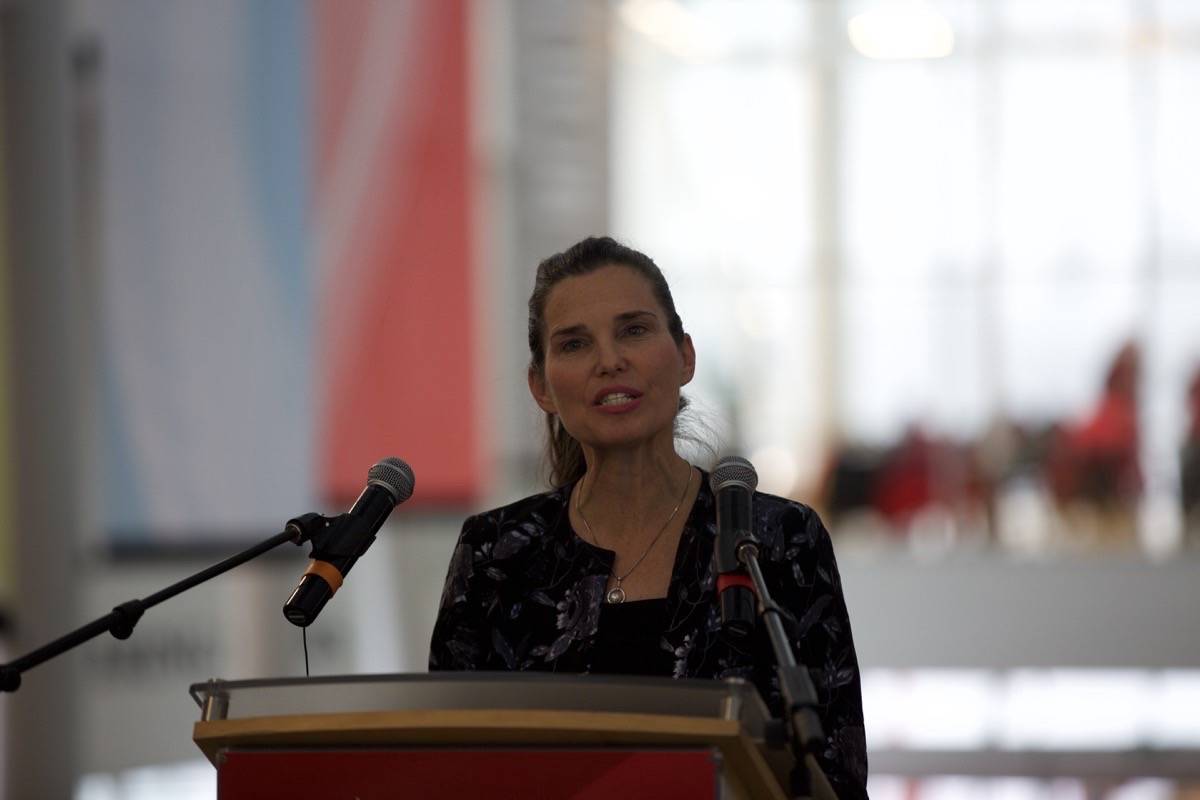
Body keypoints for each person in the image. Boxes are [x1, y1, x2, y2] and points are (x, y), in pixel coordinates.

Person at [429, 236, 867, 798]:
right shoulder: (497, 551)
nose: (610, 360)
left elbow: (837, 773)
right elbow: (448, 766)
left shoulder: (776, 539)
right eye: (575, 344)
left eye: (633, 330)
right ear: (541, 387)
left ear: (685, 355)